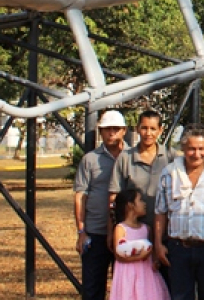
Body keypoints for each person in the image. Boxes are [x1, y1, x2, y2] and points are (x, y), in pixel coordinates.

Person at [154, 125, 204, 300]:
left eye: (201, 149)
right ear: (183, 148)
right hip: (178, 249)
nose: (196, 154)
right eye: (191, 148)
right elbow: (160, 212)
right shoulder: (169, 173)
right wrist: (159, 244)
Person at [108, 110, 173, 286]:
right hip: (133, 236)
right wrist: (112, 231)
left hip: (166, 235)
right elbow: (114, 197)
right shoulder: (125, 158)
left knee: (165, 288)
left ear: (160, 130)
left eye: (153, 128)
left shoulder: (171, 158)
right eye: (144, 128)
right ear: (137, 129)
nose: (148, 133)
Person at [73, 110, 127, 300]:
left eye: (115, 129)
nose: (111, 132)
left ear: (124, 131)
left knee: (125, 289)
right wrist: (81, 231)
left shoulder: (131, 157)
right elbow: (81, 196)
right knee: (93, 288)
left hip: (126, 233)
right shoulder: (90, 160)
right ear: (100, 132)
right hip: (95, 232)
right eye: (107, 129)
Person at [109, 188, 171, 300]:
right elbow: (118, 255)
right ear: (130, 205)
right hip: (128, 275)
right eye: (140, 200)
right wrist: (139, 257)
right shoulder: (121, 228)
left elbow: (152, 252)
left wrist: (155, 261)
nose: (144, 204)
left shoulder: (146, 229)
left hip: (146, 274)